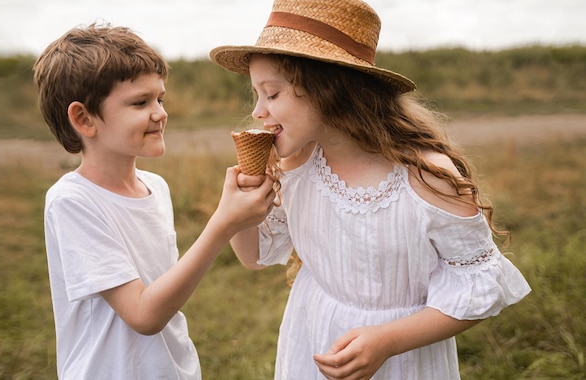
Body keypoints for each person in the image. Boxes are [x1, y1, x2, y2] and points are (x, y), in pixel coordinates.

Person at [209, 0, 532, 379]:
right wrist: (236, 213)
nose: (259, 111)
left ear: (328, 89)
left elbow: (476, 291)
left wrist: (387, 340)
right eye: (257, 95)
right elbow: (254, 257)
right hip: (313, 342)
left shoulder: (427, 178)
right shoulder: (297, 166)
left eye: (272, 93)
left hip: (403, 358)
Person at [33, 24, 276, 379]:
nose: (160, 113)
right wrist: (222, 224)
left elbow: (166, 294)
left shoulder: (155, 187)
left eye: (159, 98)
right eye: (140, 102)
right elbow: (144, 315)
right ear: (83, 119)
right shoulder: (72, 201)